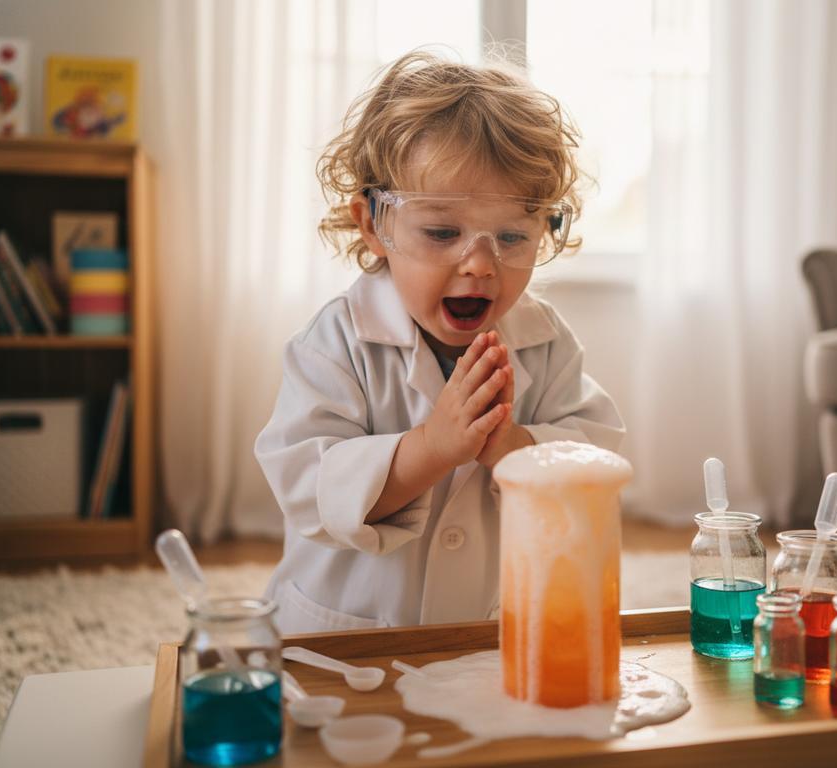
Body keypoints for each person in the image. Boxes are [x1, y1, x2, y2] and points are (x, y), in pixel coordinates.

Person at [255, 50, 624, 633]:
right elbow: (311, 488)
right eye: (442, 232)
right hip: (348, 642)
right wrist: (432, 447)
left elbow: (594, 461)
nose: (480, 264)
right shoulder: (334, 343)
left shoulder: (545, 342)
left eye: (511, 236)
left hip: (488, 633)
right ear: (375, 225)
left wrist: (515, 445)